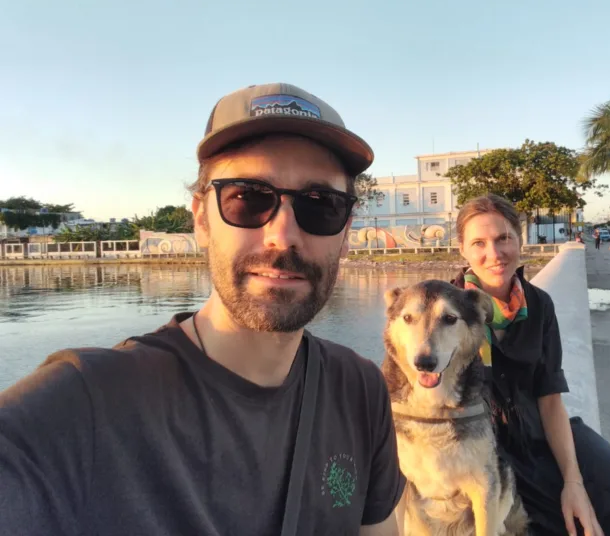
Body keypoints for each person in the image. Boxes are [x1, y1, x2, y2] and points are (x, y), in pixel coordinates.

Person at [0, 83, 405, 535]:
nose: (282, 235)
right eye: (248, 198)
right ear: (201, 218)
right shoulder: (87, 405)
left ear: (346, 232)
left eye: (322, 206)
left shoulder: (359, 389)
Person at [451, 194, 610, 536]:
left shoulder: (539, 304)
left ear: (520, 238)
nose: (494, 254)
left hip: (545, 437)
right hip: (487, 454)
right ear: (462, 249)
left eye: (504, 238)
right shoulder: (448, 310)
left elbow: (549, 398)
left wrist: (573, 481)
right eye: (479, 243)